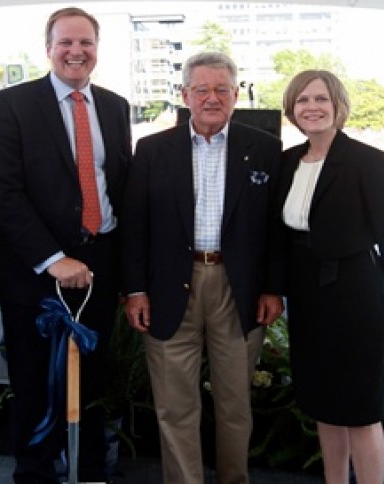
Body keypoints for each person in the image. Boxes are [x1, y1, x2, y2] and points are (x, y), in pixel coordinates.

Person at [0, 7, 131, 483]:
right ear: (48, 48)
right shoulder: (12, 104)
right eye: (65, 42)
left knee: (91, 375)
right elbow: (3, 191)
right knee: (33, 378)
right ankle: (34, 473)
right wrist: (53, 259)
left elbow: (119, 186)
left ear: (97, 49)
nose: (76, 51)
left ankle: (87, 470)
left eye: (85, 42)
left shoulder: (114, 105)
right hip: (33, 268)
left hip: (100, 263)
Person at [121, 51, 284, 484]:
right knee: (174, 406)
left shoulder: (265, 148)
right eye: (202, 89)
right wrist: (134, 289)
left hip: (238, 289)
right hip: (169, 287)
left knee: (235, 404)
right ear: (185, 95)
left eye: (221, 90)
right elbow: (135, 224)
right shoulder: (152, 149)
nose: (212, 98)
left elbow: (275, 229)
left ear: (235, 93)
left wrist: (273, 288)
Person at [276, 70, 384, 484]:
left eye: (320, 99)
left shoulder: (369, 162)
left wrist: (381, 289)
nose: (311, 108)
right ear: (291, 109)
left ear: (338, 105)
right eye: (302, 100)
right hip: (306, 294)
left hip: (354, 293)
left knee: (359, 407)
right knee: (322, 402)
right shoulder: (287, 161)